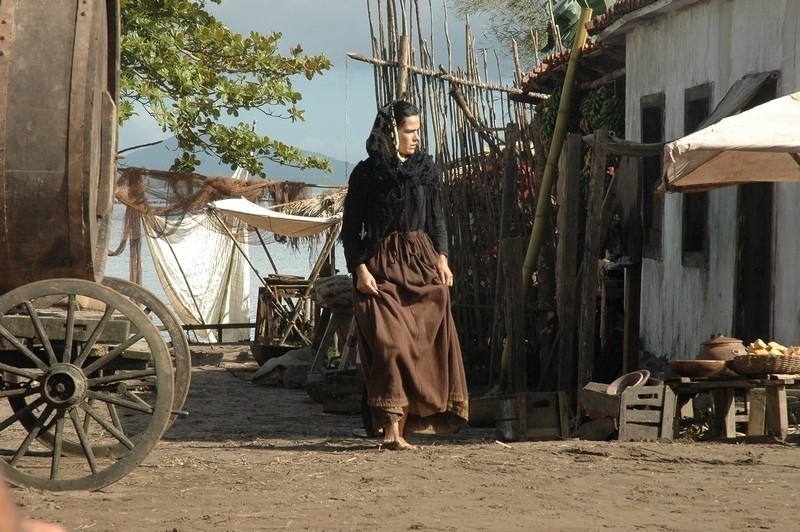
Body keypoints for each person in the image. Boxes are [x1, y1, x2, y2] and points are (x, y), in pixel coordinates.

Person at [341, 100, 469, 450]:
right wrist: (360, 269)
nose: (415, 138)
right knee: (390, 344)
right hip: (380, 267)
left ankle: (407, 425)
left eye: (417, 131)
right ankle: (390, 429)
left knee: (421, 347)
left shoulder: (426, 168)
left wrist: (443, 258)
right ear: (390, 132)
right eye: (409, 131)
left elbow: (437, 219)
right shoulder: (366, 175)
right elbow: (350, 231)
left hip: (422, 264)